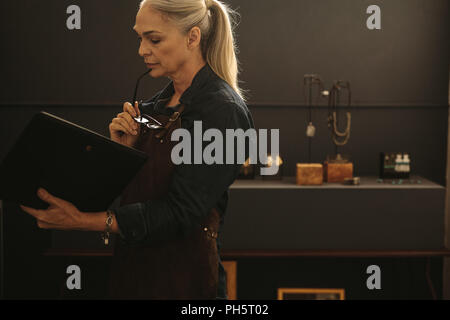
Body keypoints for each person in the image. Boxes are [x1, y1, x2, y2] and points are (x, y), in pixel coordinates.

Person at [20, 0, 254, 299]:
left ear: (192, 38)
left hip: (184, 282)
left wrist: (84, 221)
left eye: (154, 39)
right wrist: (122, 154)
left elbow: (180, 213)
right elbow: (143, 192)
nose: (142, 50)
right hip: (133, 273)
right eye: (140, 38)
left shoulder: (222, 111)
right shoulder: (155, 105)